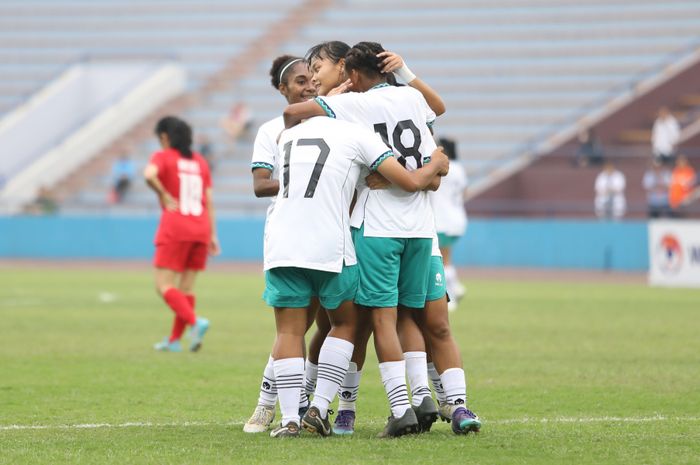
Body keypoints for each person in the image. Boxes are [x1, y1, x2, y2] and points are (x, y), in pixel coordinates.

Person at [285, 41, 457, 438]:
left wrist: (334, 96)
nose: (316, 75)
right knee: (412, 318)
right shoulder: (410, 97)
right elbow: (434, 142)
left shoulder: (351, 106)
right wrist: (434, 165)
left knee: (359, 322)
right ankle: (429, 397)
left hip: (372, 226)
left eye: (322, 67)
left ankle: (356, 407)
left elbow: (294, 114)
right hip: (418, 229)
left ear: (351, 73)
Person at [243, 55, 317, 434]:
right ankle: (266, 404)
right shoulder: (271, 130)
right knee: (294, 327)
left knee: (314, 325)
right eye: (301, 81)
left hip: (328, 236)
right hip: (288, 235)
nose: (309, 86)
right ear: (282, 89)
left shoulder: (331, 124)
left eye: (312, 79)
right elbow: (260, 185)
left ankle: (303, 404)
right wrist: (302, 180)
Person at [143, 116, 220, 352]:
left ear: (165, 137)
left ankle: (195, 322)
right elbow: (208, 201)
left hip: (176, 226)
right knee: (186, 289)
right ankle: (175, 341)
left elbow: (149, 175)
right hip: (200, 229)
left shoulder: (163, 156)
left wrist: (164, 195)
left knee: (163, 285)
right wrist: (213, 235)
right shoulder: (200, 162)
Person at [427, 137, 468, 311]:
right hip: (458, 218)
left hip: (442, 219)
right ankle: (456, 287)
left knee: (442, 259)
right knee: (447, 257)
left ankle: (451, 295)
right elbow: (465, 192)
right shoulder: (460, 168)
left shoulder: (443, 167)